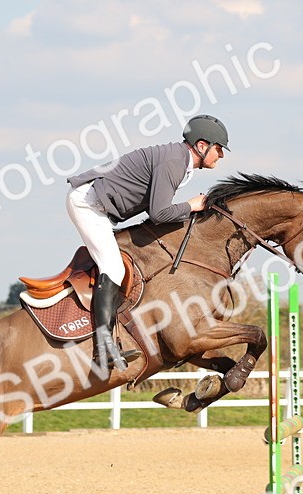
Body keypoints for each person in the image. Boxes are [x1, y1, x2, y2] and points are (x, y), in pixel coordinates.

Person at [66, 114, 230, 370]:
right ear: (201, 145)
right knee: (114, 268)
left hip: (100, 205)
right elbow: (159, 214)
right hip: (88, 205)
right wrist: (191, 206)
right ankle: (103, 349)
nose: (221, 155)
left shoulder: (179, 161)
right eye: (218, 148)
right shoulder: (175, 162)